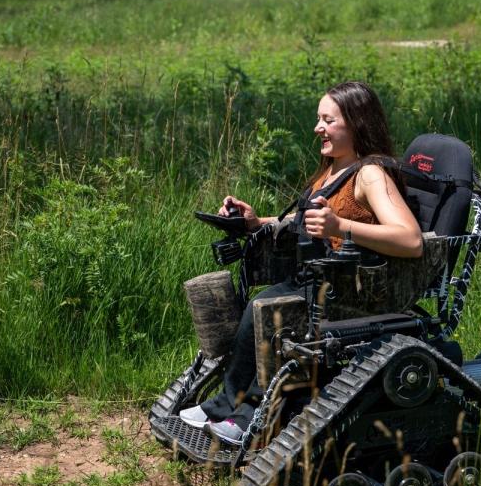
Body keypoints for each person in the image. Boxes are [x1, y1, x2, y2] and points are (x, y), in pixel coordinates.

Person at [178, 81, 423, 445]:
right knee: (239, 306)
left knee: (268, 312)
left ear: (356, 123)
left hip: (348, 290)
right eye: (318, 119)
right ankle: (225, 404)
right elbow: (303, 224)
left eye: (328, 120)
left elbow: (411, 240)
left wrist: (342, 226)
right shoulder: (332, 169)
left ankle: (246, 417)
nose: (317, 128)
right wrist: (254, 222)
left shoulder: (369, 174)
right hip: (314, 279)